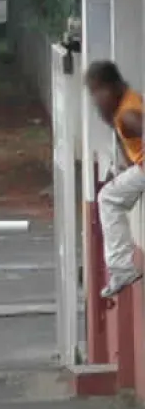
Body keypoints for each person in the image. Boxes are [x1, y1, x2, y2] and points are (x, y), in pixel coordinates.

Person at [87, 60, 145, 299]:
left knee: (108, 198)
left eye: (98, 92)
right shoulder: (125, 105)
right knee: (113, 192)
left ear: (113, 86)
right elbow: (127, 146)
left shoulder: (128, 114)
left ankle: (121, 268)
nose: (96, 100)